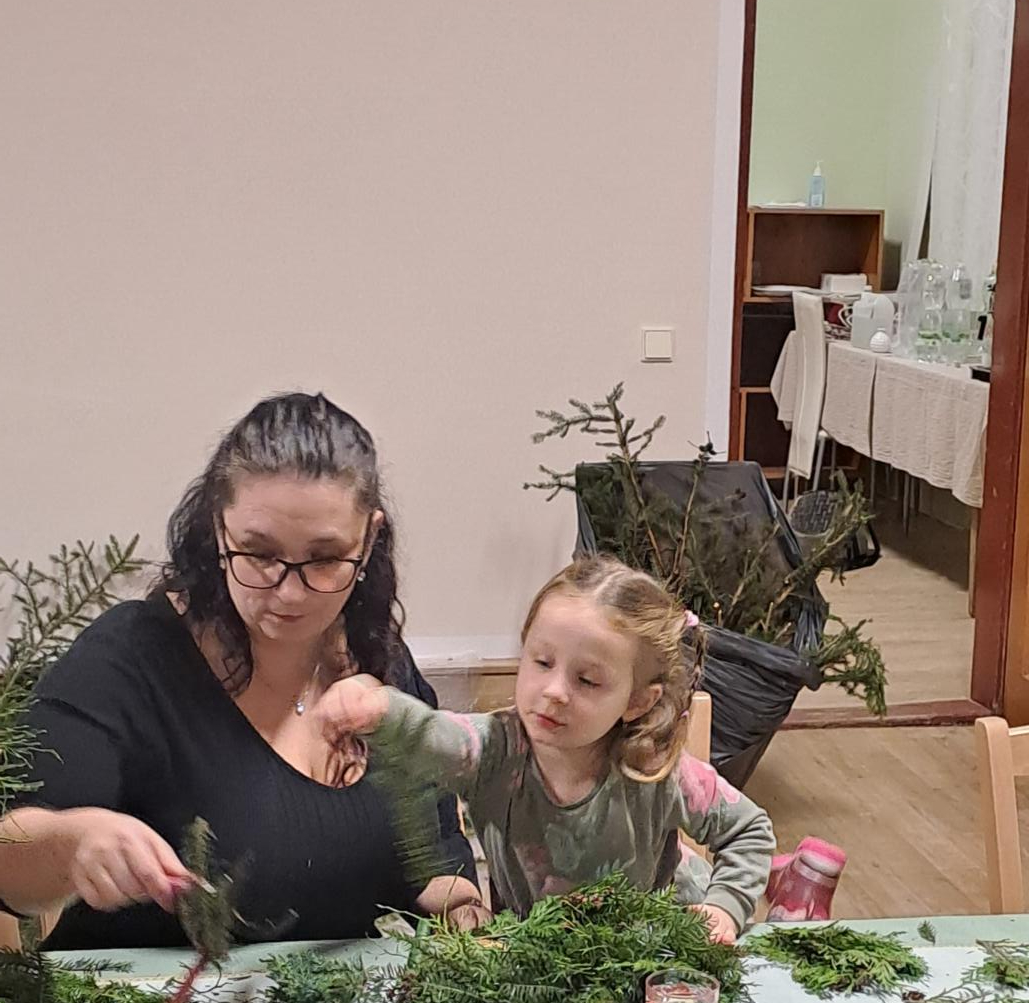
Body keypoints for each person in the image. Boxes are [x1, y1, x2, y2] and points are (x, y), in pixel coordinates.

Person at [0, 393, 482, 949]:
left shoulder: (383, 663)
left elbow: (439, 858)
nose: (290, 592)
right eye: (260, 554)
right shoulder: (129, 659)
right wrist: (72, 844)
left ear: (369, 539)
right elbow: (10, 857)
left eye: (325, 559)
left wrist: (470, 922)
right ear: (218, 527)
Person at [315, 555, 775, 942]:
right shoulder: (493, 751)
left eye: (587, 680)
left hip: (645, 954)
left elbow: (749, 830)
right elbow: (432, 736)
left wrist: (724, 908)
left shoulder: (656, 771)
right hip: (535, 973)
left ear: (637, 701)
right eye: (541, 662)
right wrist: (381, 709)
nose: (554, 691)